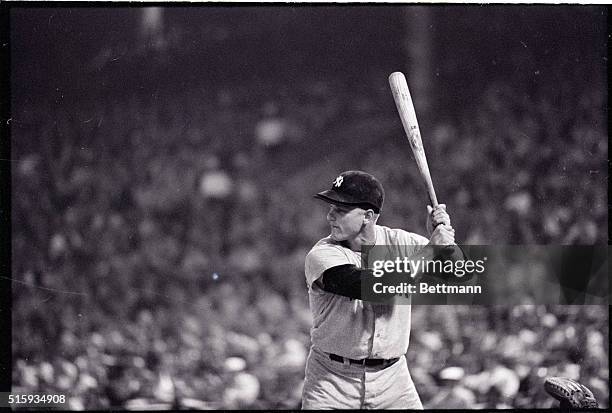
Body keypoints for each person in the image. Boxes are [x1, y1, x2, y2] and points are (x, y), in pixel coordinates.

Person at [301, 170, 456, 409]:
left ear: (368, 216)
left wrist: (444, 239)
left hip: (393, 379)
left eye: (340, 210)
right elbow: (375, 287)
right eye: (331, 208)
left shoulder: (401, 241)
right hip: (332, 380)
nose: (330, 216)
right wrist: (430, 251)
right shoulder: (322, 254)